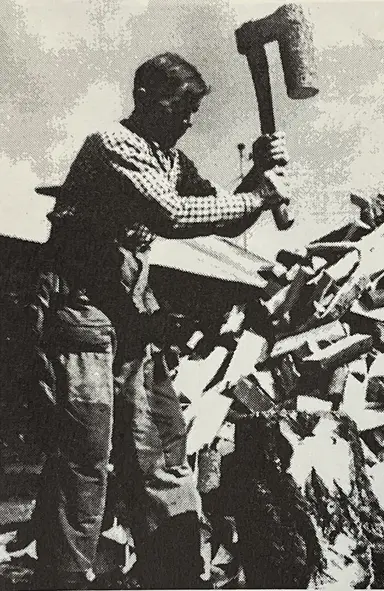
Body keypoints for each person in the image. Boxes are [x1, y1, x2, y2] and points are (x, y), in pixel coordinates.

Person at [29, 52, 290, 590]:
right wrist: (261, 194)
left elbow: (221, 214)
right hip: (81, 310)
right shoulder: (114, 146)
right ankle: (65, 578)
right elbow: (170, 215)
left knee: (161, 447)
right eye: (179, 106)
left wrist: (258, 174)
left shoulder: (170, 160)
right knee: (84, 455)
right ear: (145, 98)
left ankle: (176, 574)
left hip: (132, 314)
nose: (188, 120)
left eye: (194, 110)